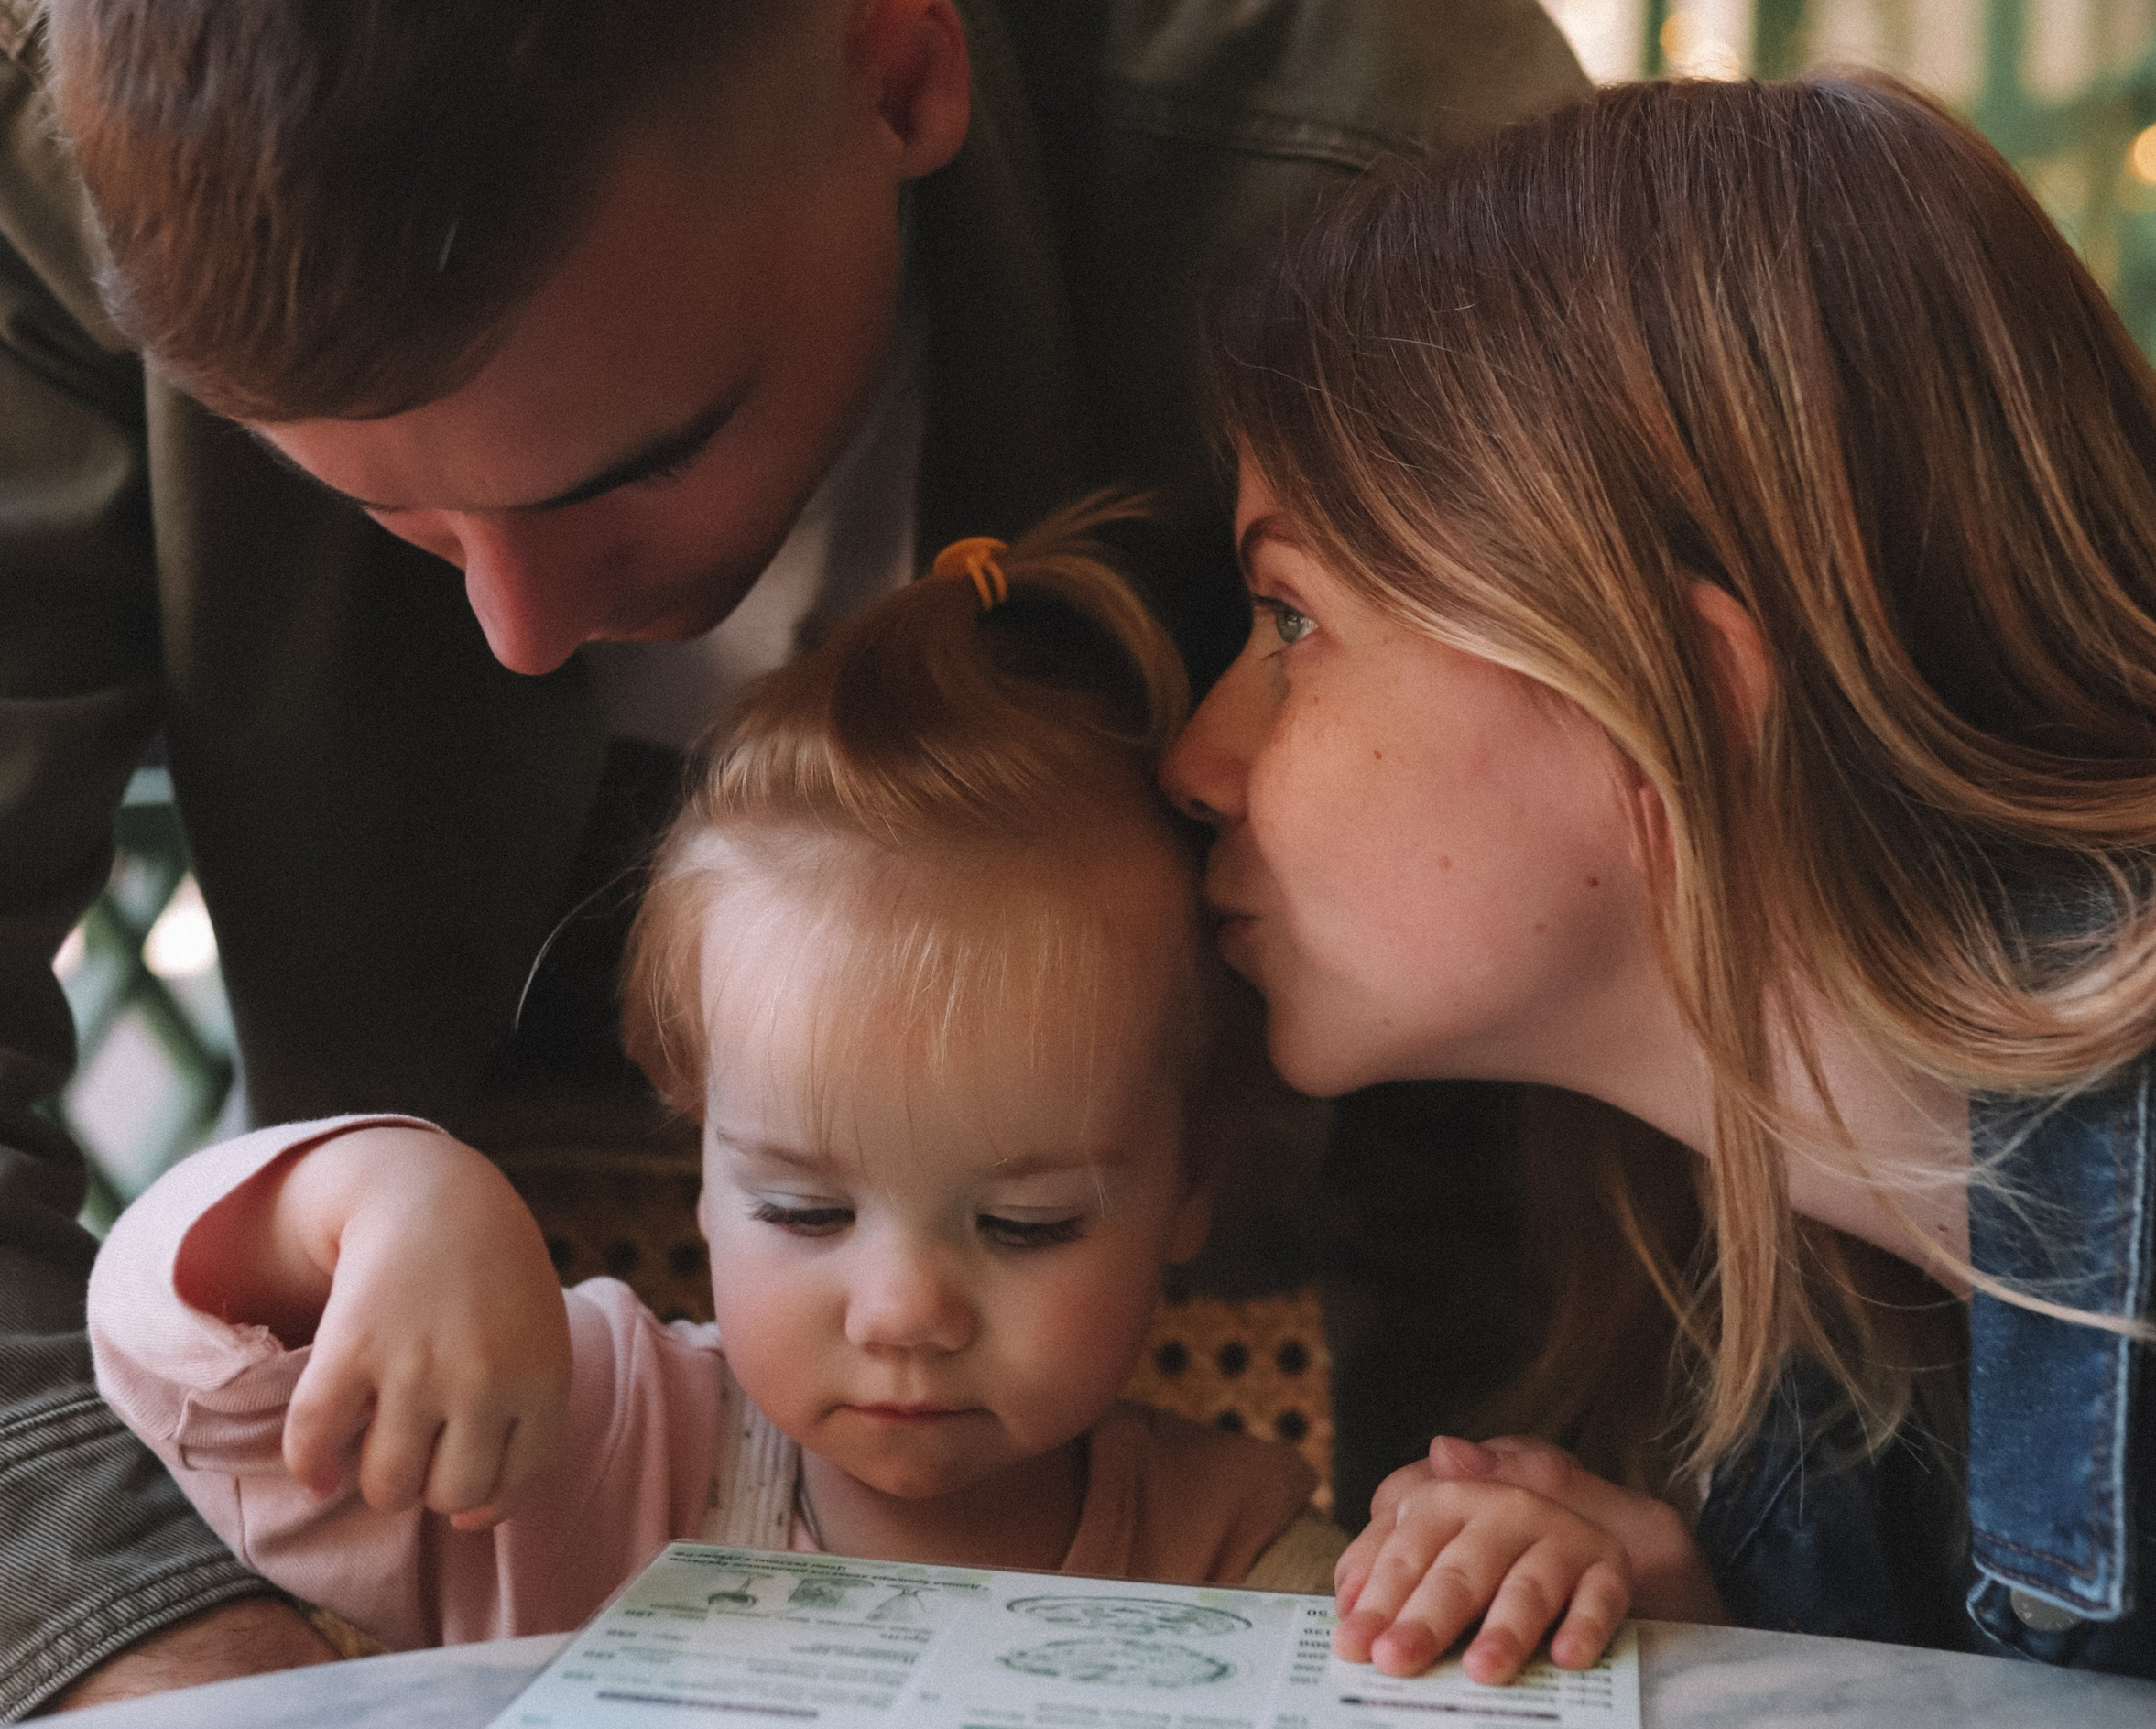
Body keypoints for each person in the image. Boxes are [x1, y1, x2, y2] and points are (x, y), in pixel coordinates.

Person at [0, 0, 1577, 1716]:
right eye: (377, 513)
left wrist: (1502, 1534)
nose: (523, 630)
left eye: (633, 461)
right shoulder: (30, 143)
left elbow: (1583, 990)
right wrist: (140, 1649)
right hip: (426, 1327)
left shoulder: (1358, 148)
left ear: (902, 83)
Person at [1163, 73, 2156, 1729]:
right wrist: (1720, 1639)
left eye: (1291, 616)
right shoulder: (1790, 1351)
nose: (1199, 759)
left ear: (1680, 693)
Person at [86, 518, 1351, 1637]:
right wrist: (381, 1196)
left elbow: (1437, 1718)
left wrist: (1505, 1567)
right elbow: (170, 1370)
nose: (903, 1311)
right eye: (805, 1211)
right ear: (701, 1157)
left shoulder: (1229, 1554)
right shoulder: (580, 1457)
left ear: (1195, 1176)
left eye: (1026, 1225)